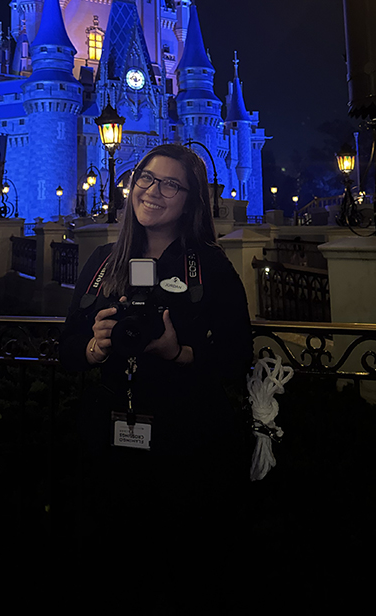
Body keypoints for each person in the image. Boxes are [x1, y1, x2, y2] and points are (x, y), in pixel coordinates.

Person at [59, 144, 253, 594]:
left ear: (191, 199)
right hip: (108, 439)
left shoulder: (208, 267)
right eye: (145, 178)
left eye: (171, 184)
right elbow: (67, 352)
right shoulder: (102, 263)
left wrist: (176, 352)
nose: (153, 191)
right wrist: (95, 345)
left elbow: (236, 356)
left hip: (185, 442)